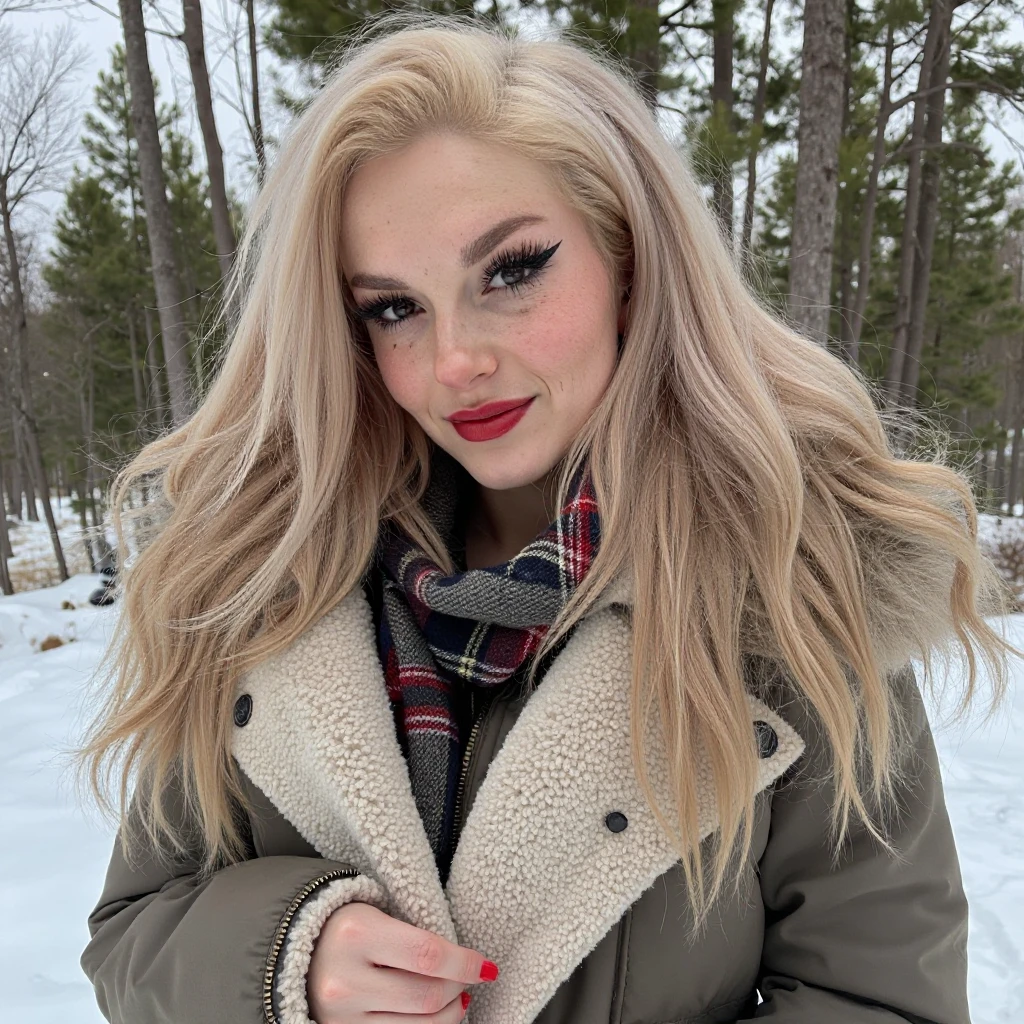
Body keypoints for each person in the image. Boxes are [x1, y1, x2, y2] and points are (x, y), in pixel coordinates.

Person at [74, 11, 1019, 1024]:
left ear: (626, 258)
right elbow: (135, 932)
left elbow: (878, 996)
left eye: (512, 271)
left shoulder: (794, 591)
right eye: (393, 308)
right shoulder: (264, 581)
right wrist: (283, 959)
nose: (454, 361)